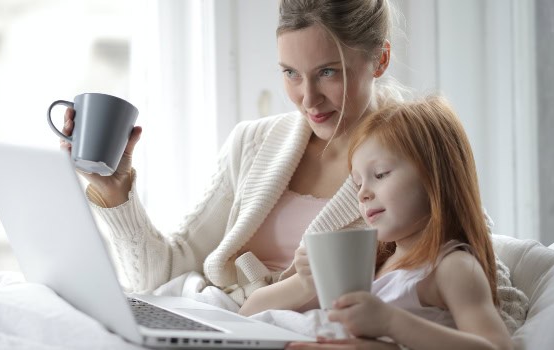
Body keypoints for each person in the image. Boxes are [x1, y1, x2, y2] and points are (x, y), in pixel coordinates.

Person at [61, 0, 400, 311]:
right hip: (217, 317)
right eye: (290, 73)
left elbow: (424, 292)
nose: (308, 99)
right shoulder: (252, 142)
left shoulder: (412, 161)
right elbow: (162, 276)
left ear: (380, 59)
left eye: (328, 72)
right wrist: (114, 190)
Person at [286, 96, 513, 349]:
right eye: (358, 183)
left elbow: (497, 347)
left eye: (380, 174)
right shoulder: (376, 264)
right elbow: (252, 310)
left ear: (435, 176)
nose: (362, 194)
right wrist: (306, 282)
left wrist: (391, 322)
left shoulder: (451, 267)